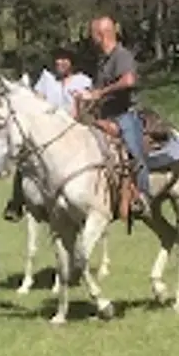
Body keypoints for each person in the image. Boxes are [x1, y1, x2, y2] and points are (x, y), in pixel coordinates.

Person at [2, 47, 92, 222]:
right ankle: (17, 202)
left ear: (72, 62)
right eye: (57, 59)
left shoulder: (82, 81)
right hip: (48, 133)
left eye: (64, 59)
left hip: (72, 130)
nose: (60, 62)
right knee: (25, 160)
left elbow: (82, 109)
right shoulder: (46, 79)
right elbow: (37, 100)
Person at [76, 17, 149, 214]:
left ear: (101, 35)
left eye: (92, 34)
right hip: (104, 116)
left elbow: (129, 80)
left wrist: (100, 93)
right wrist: (87, 95)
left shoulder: (121, 55)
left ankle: (141, 195)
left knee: (134, 152)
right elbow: (99, 88)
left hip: (124, 114)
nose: (91, 39)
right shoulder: (103, 61)